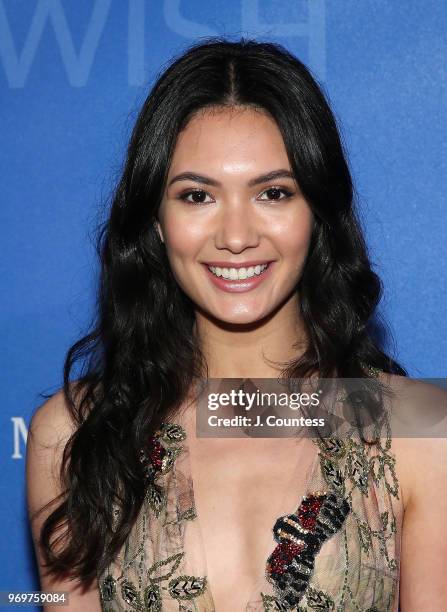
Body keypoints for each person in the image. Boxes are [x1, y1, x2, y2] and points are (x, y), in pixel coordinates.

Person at [26, 38, 447, 612]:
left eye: (273, 192)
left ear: (317, 213)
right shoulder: (75, 435)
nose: (236, 235)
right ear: (155, 221)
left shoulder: (422, 433)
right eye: (197, 196)